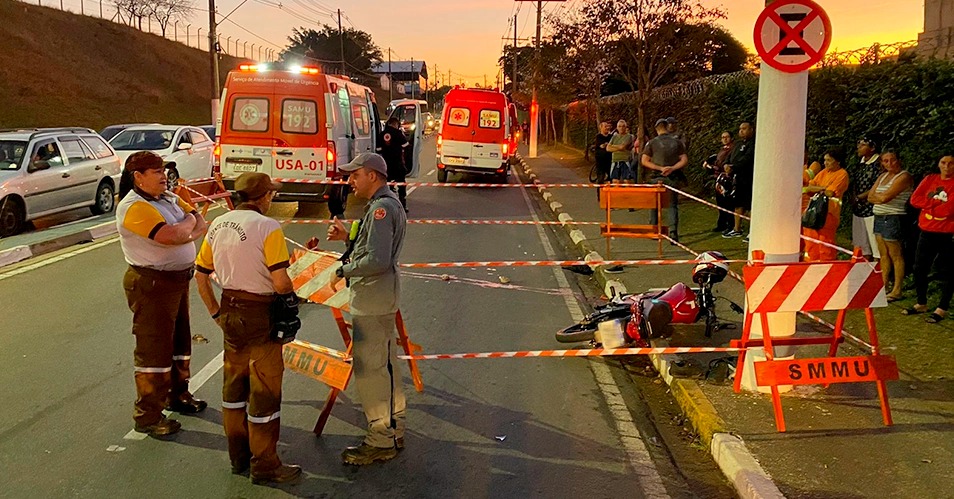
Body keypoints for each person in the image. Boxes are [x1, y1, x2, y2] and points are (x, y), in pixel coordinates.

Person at [194, 172, 302, 484]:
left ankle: (238, 457)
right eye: (271, 194)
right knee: (265, 391)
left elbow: (201, 275)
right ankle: (265, 464)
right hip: (259, 313)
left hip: (229, 310)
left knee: (233, 389)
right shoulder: (268, 227)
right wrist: (293, 303)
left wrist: (216, 313)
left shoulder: (218, 223)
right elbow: (280, 281)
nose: (273, 199)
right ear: (263, 197)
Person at [116, 151, 209, 438]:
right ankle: (148, 414)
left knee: (180, 342)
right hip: (152, 285)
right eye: (155, 172)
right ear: (138, 177)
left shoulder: (168, 198)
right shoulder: (133, 207)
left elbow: (199, 222)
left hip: (178, 281)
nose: (163, 176)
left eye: (163, 170)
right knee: (154, 350)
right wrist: (187, 228)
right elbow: (170, 236)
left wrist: (187, 228)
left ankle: (178, 395)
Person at [326, 153, 408, 465]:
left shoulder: (382, 210)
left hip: (373, 300)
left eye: (355, 175)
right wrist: (347, 235)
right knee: (385, 368)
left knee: (372, 373)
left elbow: (377, 260)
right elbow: (370, 244)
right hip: (380, 298)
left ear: (372, 175)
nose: (350, 181)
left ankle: (380, 440)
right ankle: (394, 428)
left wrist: (341, 271)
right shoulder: (382, 206)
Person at [903, 154, 954, 323]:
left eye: (951, 164)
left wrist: (929, 206)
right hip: (926, 231)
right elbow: (914, 199)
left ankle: (942, 307)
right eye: (943, 163)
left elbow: (948, 210)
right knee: (919, 267)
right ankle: (921, 302)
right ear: (938, 164)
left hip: (947, 233)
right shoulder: (930, 179)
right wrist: (933, 204)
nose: (947, 167)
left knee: (947, 270)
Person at [867, 150, 912, 301]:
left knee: (896, 254)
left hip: (893, 216)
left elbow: (886, 197)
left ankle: (897, 289)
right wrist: (879, 198)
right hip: (879, 216)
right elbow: (870, 196)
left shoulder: (904, 176)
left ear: (898, 160)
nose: (889, 163)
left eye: (892, 160)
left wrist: (879, 197)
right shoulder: (882, 176)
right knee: (883, 254)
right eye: (885, 161)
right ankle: (883, 284)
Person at [641, 118, 689, 241]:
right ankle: (673, 232)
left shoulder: (651, 143)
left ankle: (654, 229)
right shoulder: (677, 142)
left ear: (657, 129)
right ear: (667, 127)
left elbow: (644, 161)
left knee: (654, 205)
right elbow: (684, 160)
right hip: (672, 177)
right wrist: (672, 168)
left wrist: (659, 167)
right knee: (672, 205)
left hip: (656, 177)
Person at [802, 147, 850, 261]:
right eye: (825, 160)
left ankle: (826, 265)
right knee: (810, 240)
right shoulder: (823, 172)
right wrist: (823, 188)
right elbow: (807, 188)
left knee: (825, 242)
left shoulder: (842, 174)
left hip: (829, 213)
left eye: (829, 160)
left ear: (837, 161)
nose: (825, 163)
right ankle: (811, 263)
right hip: (813, 211)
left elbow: (830, 192)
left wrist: (817, 189)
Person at [850, 137, 882, 261]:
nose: (859, 147)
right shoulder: (860, 163)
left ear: (872, 147)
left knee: (875, 244)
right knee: (861, 244)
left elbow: (877, 184)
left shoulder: (878, 163)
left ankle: (878, 272)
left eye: (863, 145)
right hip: (858, 208)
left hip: (871, 208)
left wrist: (861, 197)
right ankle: (863, 269)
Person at [722, 121, 755, 239]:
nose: (741, 131)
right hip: (737, 178)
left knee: (750, 205)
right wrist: (726, 164)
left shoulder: (754, 143)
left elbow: (747, 159)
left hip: (749, 177)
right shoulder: (737, 144)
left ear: (751, 129)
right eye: (740, 129)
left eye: (744, 128)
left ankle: (753, 231)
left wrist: (733, 167)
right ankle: (737, 229)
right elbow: (729, 157)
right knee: (738, 203)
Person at [703, 131, 734, 232]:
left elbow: (725, 164)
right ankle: (721, 224)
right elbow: (717, 161)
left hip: (727, 179)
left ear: (731, 138)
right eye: (723, 137)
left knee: (727, 204)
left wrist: (713, 167)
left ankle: (730, 225)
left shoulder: (732, 150)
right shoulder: (722, 150)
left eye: (727, 137)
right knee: (720, 203)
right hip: (718, 179)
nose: (724, 139)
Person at [377, 117, 410, 212]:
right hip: (397, 164)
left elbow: (378, 150)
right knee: (401, 185)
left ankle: (387, 205)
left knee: (387, 185)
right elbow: (406, 145)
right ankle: (402, 205)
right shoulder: (398, 133)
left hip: (385, 165)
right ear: (395, 124)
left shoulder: (381, 134)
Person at [605, 120, 634, 184]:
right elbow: (608, 148)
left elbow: (622, 147)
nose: (621, 128)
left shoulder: (629, 136)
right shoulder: (614, 137)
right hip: (615, 160)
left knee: (627, 181)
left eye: (623, 126)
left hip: (625, 160)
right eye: (619, 126)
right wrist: (618, 147)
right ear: (617, 128)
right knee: (615, 181)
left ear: (626, 127)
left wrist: (612, 146)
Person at [593, 121, 613, 185]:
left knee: (611, 178)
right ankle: (600, 193)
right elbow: (601, 146)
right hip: (600, 161)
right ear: (601, 128)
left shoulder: (611, 137)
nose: (607, 128)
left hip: (609, 161)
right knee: (601, 179)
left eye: (607, 126)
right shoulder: (598, 137)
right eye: (605, 126)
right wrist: (607, 145)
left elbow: (613, 145)